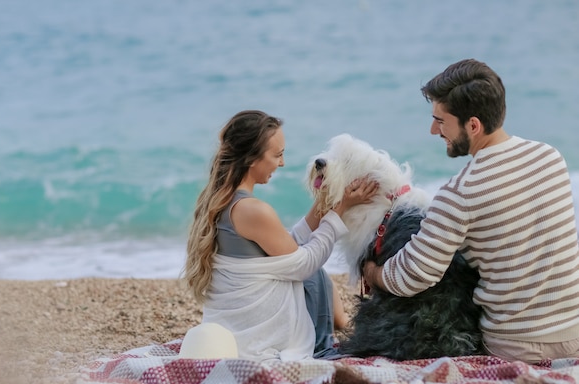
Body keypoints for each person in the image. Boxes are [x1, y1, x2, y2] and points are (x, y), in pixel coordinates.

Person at [362, 59, 579, 364]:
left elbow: (409, 277)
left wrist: (369, 270)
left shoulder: (459, 194)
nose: (433, 130)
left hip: (516, 345)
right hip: (573, 333)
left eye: (441, 120)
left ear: (473, 126)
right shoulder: (550, 157)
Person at [183, 110, 378, 361]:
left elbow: (284, 246)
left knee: (303, 259)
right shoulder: (251, 210)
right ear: (252, 159)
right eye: (278, 155)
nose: (282, 163)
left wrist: (325, 203)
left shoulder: (221, 200)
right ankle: (328, 335)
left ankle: (337, 324)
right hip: (255, 336)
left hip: (232, 326)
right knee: (313, 273)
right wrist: (340, 210)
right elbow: (304, 265)